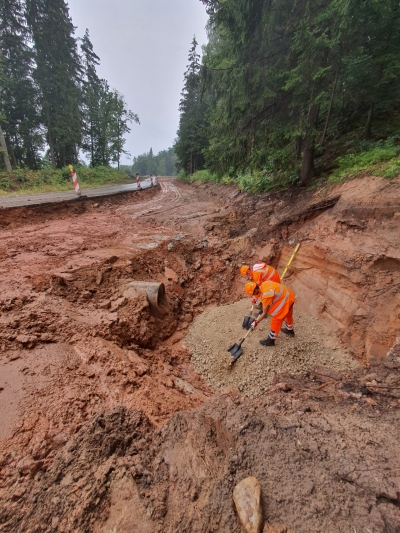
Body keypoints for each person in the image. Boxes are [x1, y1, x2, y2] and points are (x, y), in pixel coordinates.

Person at [244, 280, 295, 346]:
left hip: (285, 300)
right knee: (288, 315)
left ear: (255, 290)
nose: (253, 295)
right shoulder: (264, 284)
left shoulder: (266, 296)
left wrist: (256, 322)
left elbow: (264, 313)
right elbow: (260, 292)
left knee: (276, 320)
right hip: (289, 295)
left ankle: (270, 340)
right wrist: (255, 298)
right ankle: (290, 330)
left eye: (253, 294)